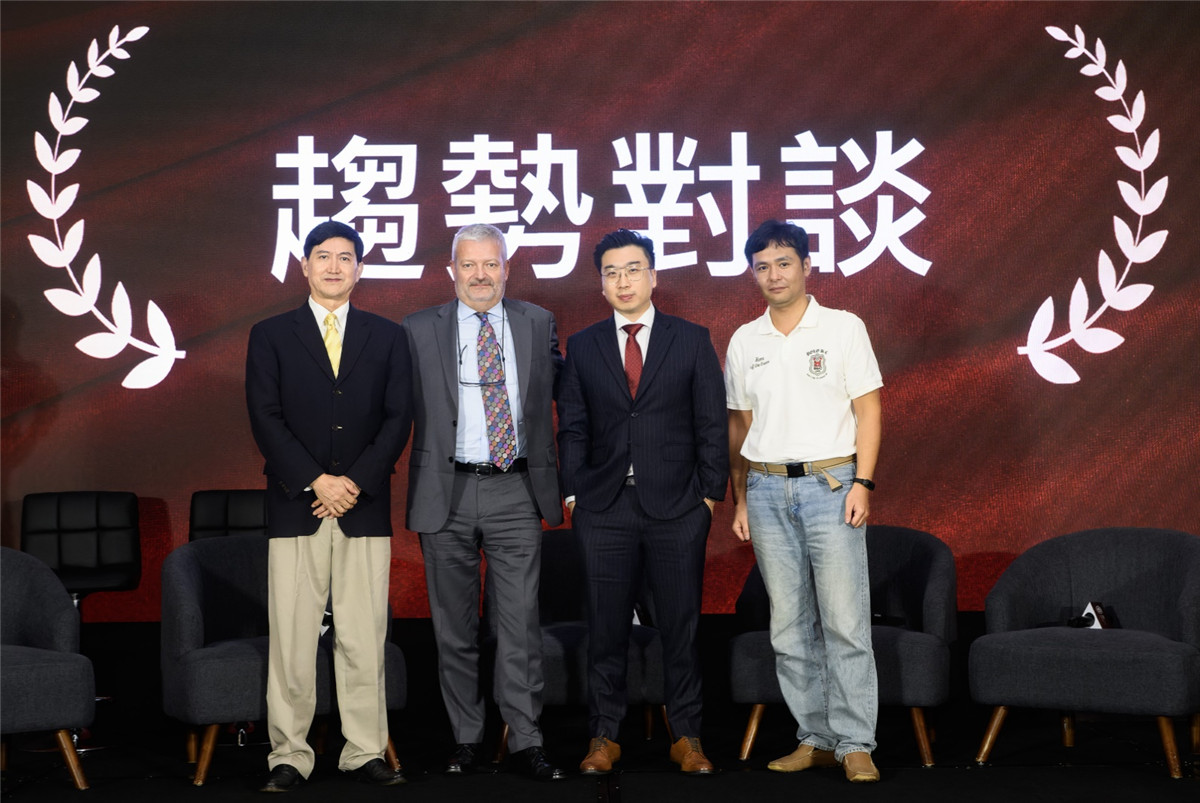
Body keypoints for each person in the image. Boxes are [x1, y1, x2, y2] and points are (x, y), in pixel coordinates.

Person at [245, 220, 413, 792]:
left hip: (363, 508)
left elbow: (398, 420)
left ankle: (363, 750)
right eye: (323, 256)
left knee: (364, 636)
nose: (335, 266)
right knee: (292, 638)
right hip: (297, 505)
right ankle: (289, 755)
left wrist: (353, 484)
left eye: (346, 257)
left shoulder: (388, 336)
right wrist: (317, 481)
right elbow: (265, 418)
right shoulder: (270, 334)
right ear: (305, 266)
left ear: (360, 269)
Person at [557, 229, 728, 775]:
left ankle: (689, 738)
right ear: (600, 283)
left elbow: (710, 423)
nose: (622, 281)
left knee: (681, 627)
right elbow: (574, 428)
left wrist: (707, 497)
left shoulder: (691, 338)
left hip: (678, 509)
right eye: (611, 272)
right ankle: (604, 737)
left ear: (653, 275)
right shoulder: (582, 346)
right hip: (603, 508)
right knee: (604, 628)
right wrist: (574, 491)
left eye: (633, 269)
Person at [401, 223, 566, 781]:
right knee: (455, 628)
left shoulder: (537, 322)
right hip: (443, 492)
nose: (479, 275)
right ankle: (466, 737)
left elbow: (559, 400)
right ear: (452, 271)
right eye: (468, 265)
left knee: (520, 625)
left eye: (490, 264)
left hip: (515, 489)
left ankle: (526, 738)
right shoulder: (418, 329)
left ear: (506, 269)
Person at [725, 219, 883, 783]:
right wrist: (740, 499)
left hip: (832, 485)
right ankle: (814, 736)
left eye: (784, 262)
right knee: (788, 627)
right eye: (762, 266)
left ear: (807, 266)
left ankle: (856, 742)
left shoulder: (842, 328)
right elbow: (739, 427)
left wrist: (863, 482)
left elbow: (868, 410)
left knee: (843, 620)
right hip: (766, 489)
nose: (774, 274)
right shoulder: (746, 339)